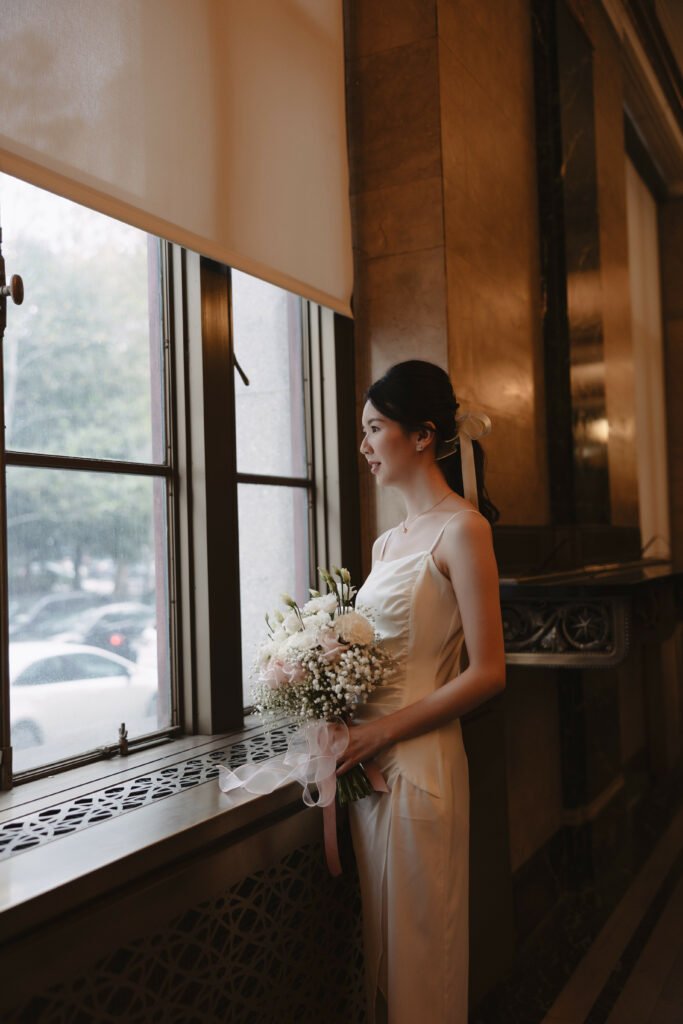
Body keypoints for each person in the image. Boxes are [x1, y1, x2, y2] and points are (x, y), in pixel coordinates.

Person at [335, 359, 506, 1023]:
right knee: (385, 954)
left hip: (421, 768)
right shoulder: (384, 546)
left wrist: (381, 730)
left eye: (374, 429)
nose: (364, 446)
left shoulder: (463, 530)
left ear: (420, 435)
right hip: (367, 774)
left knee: (422, 960)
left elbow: (487, 670)